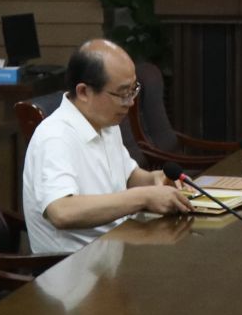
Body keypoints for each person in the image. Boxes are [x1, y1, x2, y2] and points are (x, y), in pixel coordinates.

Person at [23, 39, 193, 255]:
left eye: (133, 90)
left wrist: (154, 180)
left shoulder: (106, 123)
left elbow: (129, 176)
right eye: (122, 94)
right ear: (84, 92)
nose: (130, 102)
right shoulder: (55, 136)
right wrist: (144, 197)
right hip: (73, 267)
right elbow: (61, 211)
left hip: (114, 250)